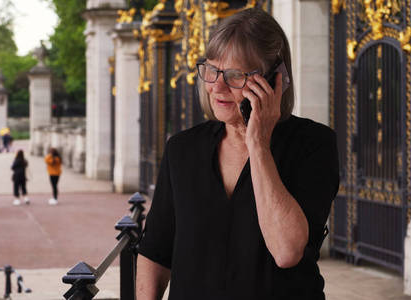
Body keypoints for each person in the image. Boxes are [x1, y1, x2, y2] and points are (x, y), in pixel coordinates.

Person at [136, 9, 339, 300]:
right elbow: (156, 252)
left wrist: (257, 143)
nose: (216, 86)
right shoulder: (182, 149)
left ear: (275, 80)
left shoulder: (314, 145)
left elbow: (287, 251)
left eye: (234, 76)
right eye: (211, 69)